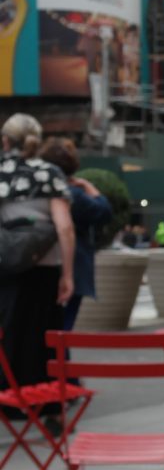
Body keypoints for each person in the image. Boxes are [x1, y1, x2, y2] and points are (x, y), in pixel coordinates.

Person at [0, 113, 75, 392]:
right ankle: (48, 402)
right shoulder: (49, 173)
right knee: (44, 337)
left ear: (6, 140)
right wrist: (67, 274)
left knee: (9, 334)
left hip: (6, 268)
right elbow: (65, 228)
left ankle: (10, 401)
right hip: (46, 269)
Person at [38, 138, 112, 332]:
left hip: (43, 263)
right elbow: (104, 212)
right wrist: (88, 187)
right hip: (74, 265)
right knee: (63, 329)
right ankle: (60, 362)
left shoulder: (39, 192)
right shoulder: (74, 195)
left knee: (46, 328)